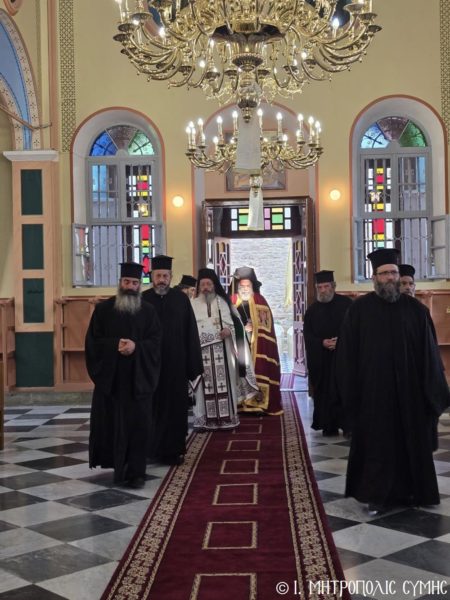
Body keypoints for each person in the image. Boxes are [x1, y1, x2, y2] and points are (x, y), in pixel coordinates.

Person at [336, 248, 450, 514]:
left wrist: (432, 393)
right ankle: (376, 496)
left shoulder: (416, 311)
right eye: (385, 273)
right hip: (373, 394)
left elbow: (430, 355)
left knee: (411, 443)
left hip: (411, 394)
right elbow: (347, 356)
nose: (390, 277)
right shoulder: (359, 310)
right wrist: (350, 394)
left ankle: (413, 493)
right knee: (378, 446)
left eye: (394, 273)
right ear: (374, 277)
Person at [85, 262, 161, 488]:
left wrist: (136, 347)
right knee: (113, 425)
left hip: (138, 381)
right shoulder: (103, 310)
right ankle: (118, 467)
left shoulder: (148, 311)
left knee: (138, 426)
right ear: (120, 283)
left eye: (135, 283)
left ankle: (137, 473)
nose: (130, 286)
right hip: (113, 381)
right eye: (126, 282)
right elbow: (93, 343)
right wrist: (114, 345)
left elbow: (156, 343)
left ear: (140, 285)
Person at [142, 255, 203, 465]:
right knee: (151, 408)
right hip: (150, 366)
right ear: (152, 276)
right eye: (158, 276)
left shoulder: (181, 299)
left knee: (175, 409)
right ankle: (151, 450)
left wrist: (192, 364)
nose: (161, 280)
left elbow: (191, 331)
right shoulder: (143, 299)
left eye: (165, 276)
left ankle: (174, 451)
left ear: (171, 277)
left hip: (176, 365)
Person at [191, 268, 259, 430]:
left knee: (225, 385)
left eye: (209, 284)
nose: (206, 288)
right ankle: (204, 420)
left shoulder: (223, 303)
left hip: (223, 351)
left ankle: (227, 418)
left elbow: (237, 325)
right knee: (202, 386)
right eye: (203, 284)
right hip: (201, 354)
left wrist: (229, 331)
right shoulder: (192, 304)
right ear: (199, 286)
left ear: (214, 285)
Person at [303, 270, 352, 436]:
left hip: (343, 358)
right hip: (322, 359)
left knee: (345, 389)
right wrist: (321, 342)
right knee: (324, 392)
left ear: (333, 286)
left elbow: (355, 329)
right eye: (320, 287)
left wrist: (341, 342)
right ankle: (328, 425)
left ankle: (348, 425)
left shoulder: (347, 305)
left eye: (326, 286)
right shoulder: (312, 311)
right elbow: (308, 336)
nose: (323, 290)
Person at [230, 266, 283, 415]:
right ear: (237, 286)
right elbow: (226, 322)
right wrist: (242, 328)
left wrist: (254, 328)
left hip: (258, 345)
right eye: (242, 286)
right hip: (238, 345)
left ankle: (258, 404)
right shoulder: (231, 301)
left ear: (252, 286)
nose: (245, 289)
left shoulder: (260, 300)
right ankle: (240, 403)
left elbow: (266, 327)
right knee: (238, 372)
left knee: (259, 369)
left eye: (248, 286)